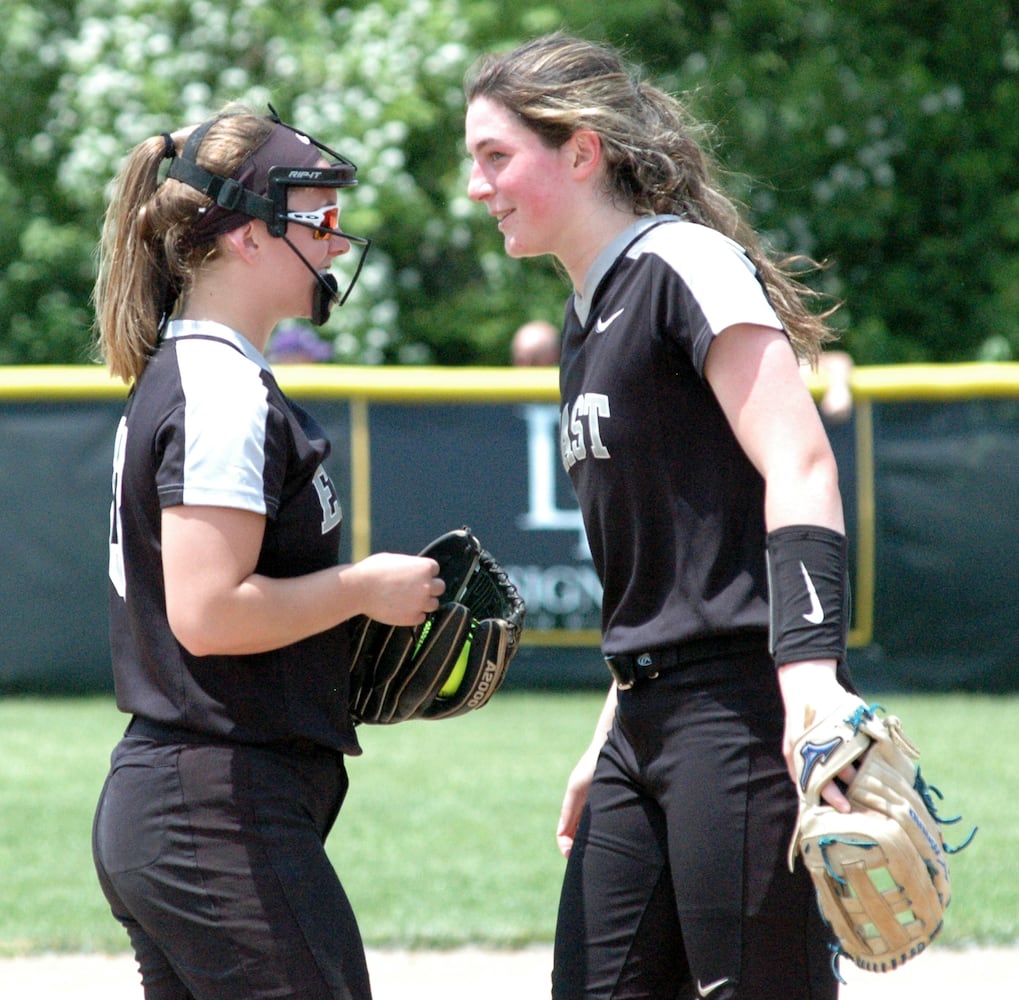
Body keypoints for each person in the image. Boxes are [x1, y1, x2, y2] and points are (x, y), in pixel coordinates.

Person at [465, 34, 856, 1000]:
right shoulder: (584, 313)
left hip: (738, 710)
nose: (477, 186)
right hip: (645, 717)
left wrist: (810, 684)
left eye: (495, 156)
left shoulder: (684, 264)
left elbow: (800, 460)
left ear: (582, 150)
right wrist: (611, 730)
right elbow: (667, 568)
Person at [91, 104, 446, 1000]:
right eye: (317, 219)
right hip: (211, 808)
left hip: (191, 801)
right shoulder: (219, 390)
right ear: (248, 237)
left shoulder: (203, 374)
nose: (335, 242)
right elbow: (209, 614)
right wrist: (361, 588)